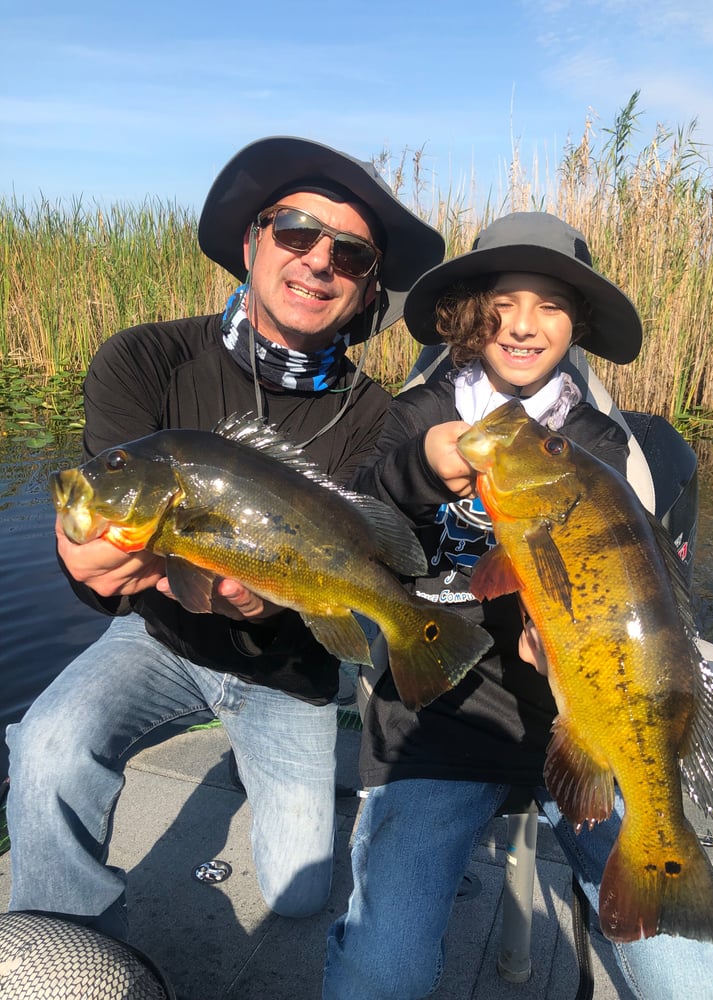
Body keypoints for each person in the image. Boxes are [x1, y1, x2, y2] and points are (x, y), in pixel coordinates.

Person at [4, 136, 445, 940]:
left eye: (349, 253)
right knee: (47, 748)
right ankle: (58, 950)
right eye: (296, 232)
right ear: (251, 241)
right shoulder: (143, 358)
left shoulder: (379, 416)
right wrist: (91, 566)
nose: (319, 261)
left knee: (299, 892)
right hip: (159, 642)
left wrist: (252, 600)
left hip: (291, 667)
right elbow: (106, 545)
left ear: (367, 287)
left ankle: (265, 762)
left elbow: (341, 564)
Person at [322, 212, 713, 999]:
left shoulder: (598, 443)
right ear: (466, 311)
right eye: (502, 301)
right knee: (379, 975)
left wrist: (555, 640)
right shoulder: (411, 414)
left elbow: (642, 592)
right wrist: (416, 470)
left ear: (576, 323)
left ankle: (663, 854)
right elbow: (346, 533)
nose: (523, 325)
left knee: (694, 987)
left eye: (550, 305)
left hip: (592, 729)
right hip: (437, 726)